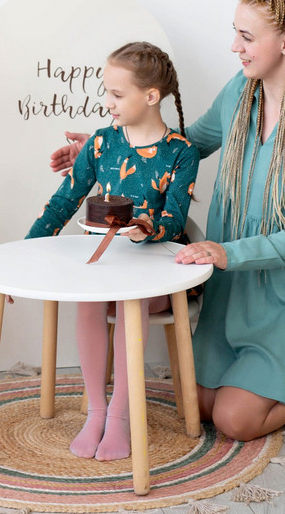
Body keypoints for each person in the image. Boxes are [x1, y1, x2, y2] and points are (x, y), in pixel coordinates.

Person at [51, 0, 285, 442]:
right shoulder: (241, 90)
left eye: (246, 37)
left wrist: (226, 252)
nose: (234, 46)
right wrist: (111, 150)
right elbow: (184, 147)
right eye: (235, 33)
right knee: (195, 406)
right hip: (237, 289)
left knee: (234, 421)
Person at [27, 42, 199, 460]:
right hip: (104, 266)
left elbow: (176, 219)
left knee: (128, 301)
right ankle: (97, 412)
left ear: (151, 96)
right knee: (88, 300)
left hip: (156, 274)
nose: (107, 103)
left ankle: (121, 417)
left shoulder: (181, 151)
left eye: (117, 94)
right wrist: (27, 252)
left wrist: (147, 229)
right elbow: (64, 202)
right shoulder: (102, 144)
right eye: (107, 92)